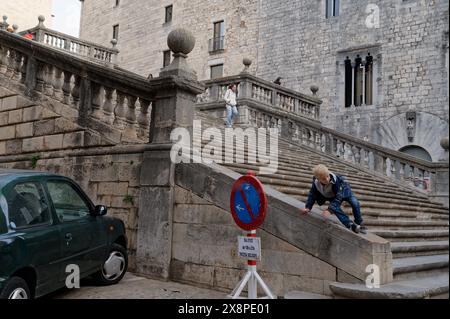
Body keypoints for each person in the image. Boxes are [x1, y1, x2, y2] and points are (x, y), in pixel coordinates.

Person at [299, 164, 366, 234]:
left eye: (327, 176)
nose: (327, 179)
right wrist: (308, 207)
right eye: (324, 179)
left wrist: (329, 210)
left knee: (355, 203)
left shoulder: (336, 179)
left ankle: (359, 222)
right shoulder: (316, 183)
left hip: (344, 192)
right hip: (331, 195)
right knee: (336, 208)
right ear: (318, 179)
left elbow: (339, 197)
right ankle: (351, 225)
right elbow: (312, 194)